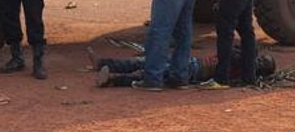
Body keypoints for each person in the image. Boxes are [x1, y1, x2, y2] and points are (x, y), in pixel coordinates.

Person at [88, 46, 276, 88]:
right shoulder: (243, 62)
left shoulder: (242, 69)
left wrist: (249, 52)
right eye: (262, 59)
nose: (259, 61)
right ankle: (103, 63)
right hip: (191, 62)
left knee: (148, 72)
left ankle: (111, 80)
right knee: (146, 61)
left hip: (192, 71)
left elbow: (233, 53)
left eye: (262, 63)